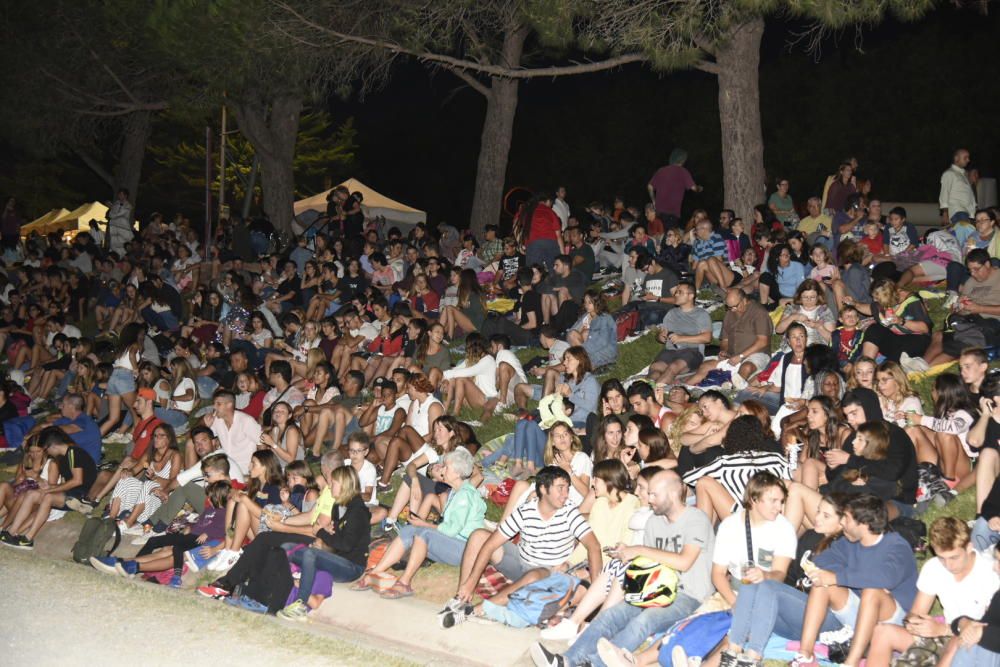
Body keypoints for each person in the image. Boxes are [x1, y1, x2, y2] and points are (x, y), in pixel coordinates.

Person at [530, 469, 714, 667]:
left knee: (645, 620)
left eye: (654, 494)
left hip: (688, 595)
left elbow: (684, 562)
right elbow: (651, 565)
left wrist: (639, 550)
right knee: (613, 614)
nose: (649, 499)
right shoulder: (654, 522)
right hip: (656, 589)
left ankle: (594, 664)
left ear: (673, 494)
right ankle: (567, 661)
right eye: (648, 493)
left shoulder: (696, 519)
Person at [442, 466, 602, 629]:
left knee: (534, 575)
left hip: (548, 573)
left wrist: (596, 592)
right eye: (560, 488)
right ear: (543, 488)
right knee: (479, 536)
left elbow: (594, 547)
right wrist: (471, 582)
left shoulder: (570, 513)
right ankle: (461, 598)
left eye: (567, 489)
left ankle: (477, 610)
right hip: (521, 563)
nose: (566, 494)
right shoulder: (526, 511)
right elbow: (491, 544)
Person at [792, 494, 917, 667]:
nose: (842, 523)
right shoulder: (849, 542)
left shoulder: (896, 546)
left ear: (863, 525)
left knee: (872, 591)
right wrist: (842, 577)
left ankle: (851, 663)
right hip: (862, 613)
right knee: (823, 584)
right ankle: (805, 655)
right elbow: (822, 561)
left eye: (847, 519)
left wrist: (840, 577)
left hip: (894, 621)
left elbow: (885, 578)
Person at [868, 517, 999, 666]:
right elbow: (916, 612)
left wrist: (943, 630)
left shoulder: (991, 573)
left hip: (971, 645)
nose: (948, 565)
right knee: (882, 632)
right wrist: (915, 623)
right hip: (942, 637)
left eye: (954, 557)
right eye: (942, 558)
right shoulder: (933, 568)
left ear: (969, 547)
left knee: (956, 642)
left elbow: (988, 632)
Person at [358, 448, 485, 599]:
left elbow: (451, 531)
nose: (442, 469)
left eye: (446, 467)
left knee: (423, 532)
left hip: (464, 549)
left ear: (457, 473)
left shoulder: (465, 496)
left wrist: (424, 524)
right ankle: (376, 572)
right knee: (410, 529)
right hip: (453, 543)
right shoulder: (456, 491)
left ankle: (404, 583)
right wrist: (420, 524)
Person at [275, 465, 372, 620]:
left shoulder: (358, 511)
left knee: (310, 554)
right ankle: (282, 586)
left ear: (344, 485)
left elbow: (346, 545)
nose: (329, 485)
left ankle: (300, 605)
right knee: (286, 548)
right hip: (337, 558)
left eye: (333, 483)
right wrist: (325, 542)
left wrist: (320, 532)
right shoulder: (338, 506)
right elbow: (336, 541)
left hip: (352, 567)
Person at [0, 428, 97, 550]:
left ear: (51, 446)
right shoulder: (64, 456)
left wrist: (49, 490)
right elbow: (67, 483)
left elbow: (77, 481)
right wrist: (50, 487)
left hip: (79, 495)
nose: (48, 453)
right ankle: (10, 532)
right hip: (69, 492)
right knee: (31, 493)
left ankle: (28, 539)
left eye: (46, 449)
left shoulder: (73, 452)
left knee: (48, 496)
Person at [688, 289, 773, 385]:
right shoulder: (730, 314)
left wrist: (741, 356)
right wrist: (724, 351)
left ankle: (730, 390)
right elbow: (725, 340)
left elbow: (762, 342)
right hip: (733, 356)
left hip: (756, 354)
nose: (732, 309)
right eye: (729, 307)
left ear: (744, 300)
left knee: (746, 368)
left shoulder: (759, 312)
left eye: (735, 306)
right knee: (705, 366)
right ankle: (685, 387)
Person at [649, 282, 711, 385]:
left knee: (673, 367)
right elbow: (661, 335)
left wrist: (681, 338)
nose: (676, 294)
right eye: (676, 292)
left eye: (680, 292)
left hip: (692, 351)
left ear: (691, 296)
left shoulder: (701, 314)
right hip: (670, 351)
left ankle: (657, 393)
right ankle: (647, 392)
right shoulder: (671, 313)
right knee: (655, 368)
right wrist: (660, 337)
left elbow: (707, 338)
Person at [203, 389, 261, 472]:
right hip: (225, 467)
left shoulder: (246, 421)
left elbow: (262, 445)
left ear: (229, 405)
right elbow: (204, 439)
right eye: (214, 404)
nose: (214, 407)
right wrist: (207, 427)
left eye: (218, 404)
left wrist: (258, 470)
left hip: (245, 469)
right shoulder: (217, 420)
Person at [647, 149, 702, 230]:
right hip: (671, 213)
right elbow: (694, 188)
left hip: (658, 212)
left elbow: (650, 186)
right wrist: (699, 188)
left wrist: (654, 201)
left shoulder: (661, 170)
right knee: (669, 237)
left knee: (659, 235)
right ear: (682, 160)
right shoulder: (683, 171)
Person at [940, 148, 977, 225]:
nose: (968, 160)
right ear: (956, 158)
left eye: (968, 158)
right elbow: (944, 193)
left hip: (967, 213)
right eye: (965, 157)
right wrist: (945, 213)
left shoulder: (963, 175)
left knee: (968, 236)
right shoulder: (949, 173)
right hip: (958, 212)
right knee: (966, 235)